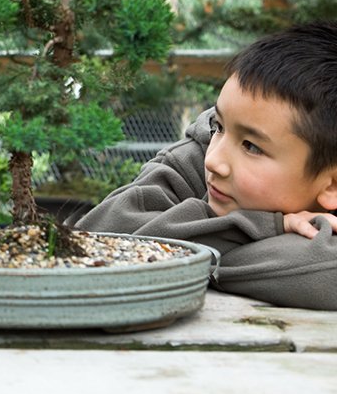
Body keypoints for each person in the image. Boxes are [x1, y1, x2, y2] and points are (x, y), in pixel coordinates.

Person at [71, 22, 337, 310]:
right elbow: (97, 240)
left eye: (251, 146)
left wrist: (196, 257)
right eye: (218, 126)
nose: (214, 160)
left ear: (332, 184)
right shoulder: (198, 155)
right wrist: (266, 227)